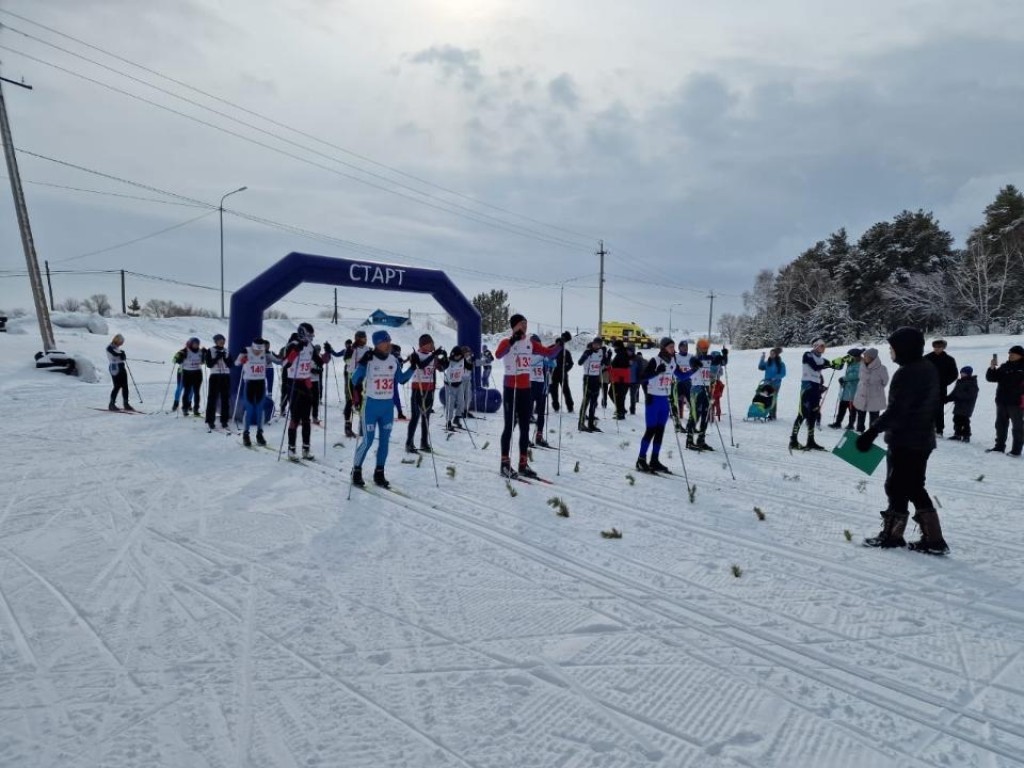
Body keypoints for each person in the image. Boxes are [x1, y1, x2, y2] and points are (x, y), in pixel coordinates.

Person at [857, 327, 948, 554]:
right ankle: (934, 540)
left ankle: (892, 535)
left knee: (896, 486)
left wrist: (871, 432)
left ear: (904, 349)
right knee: (915, 486)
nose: (890, 352)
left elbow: (897, 410)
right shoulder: (928, 368)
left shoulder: (907, 373)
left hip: (906, 440)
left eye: (892, 348)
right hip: (923, 439)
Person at [495, 314, 570, 478]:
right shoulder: (506, 341)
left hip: (525, 389)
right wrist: (512, 341)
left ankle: (523, 463)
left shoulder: (530, 343)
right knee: (509, 427)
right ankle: (504, 464)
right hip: (511, 388)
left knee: (525, 427)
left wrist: (560, 344)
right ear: (514, 326)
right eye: (522, 324)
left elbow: (549, 354)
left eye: (526, 324)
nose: (525, 327)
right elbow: (498, 354)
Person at [350, 330, 414, 488]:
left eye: (390, 340)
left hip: (387, 408)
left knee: (385, 442)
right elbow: (354, 379)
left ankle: (379, 472)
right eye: (386, 341)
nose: (389, 344)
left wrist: (414, 366)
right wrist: (362, 364)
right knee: (368, 441)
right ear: (378, 343)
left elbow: (402, 379)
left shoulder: (393, 359)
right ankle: (356, 470)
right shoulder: (370, 359)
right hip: (371, 406)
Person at [636, 338, 693, 473]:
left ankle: (654, 460)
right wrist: (656, 372)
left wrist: (695, 369)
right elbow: (642, 378)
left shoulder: (673, 361)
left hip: (664, 400)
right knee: (650, 431)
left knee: (660, 432)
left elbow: (682, 376)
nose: (674, 349)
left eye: (674, 347)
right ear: (663, 348)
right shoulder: (655, 361)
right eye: (671, 347)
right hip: (653, 400)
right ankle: (641, 460)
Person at [788, 339, 840, 451]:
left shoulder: (821, 359)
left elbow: (835, 366)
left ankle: (810, 441)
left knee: (813, 414)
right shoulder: (808, 355)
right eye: (821, 346)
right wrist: (830, 365)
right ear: (815, 346)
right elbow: (815, 366)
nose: (823, 348)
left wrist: (838, 363)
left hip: (816, 387)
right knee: (802, 414)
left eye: (824, 346)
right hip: (807, 386)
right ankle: (793, 441)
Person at [282, 323, 318, 460]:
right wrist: (295, 351)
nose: (311, 338)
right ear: (302, 334)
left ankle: (306, 449)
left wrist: (327, 354)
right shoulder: (293, 344)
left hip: (306, 383)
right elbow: (285, 364)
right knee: (295, 418)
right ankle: (291, 449)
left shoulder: (310, 346)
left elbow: (319, 361)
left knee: (306, 419)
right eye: (309, 335)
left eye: (312, 336)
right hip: (294, 383)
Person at [405, 335, 444, 454]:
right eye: (428, 344)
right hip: (418, 389)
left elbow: (441, 368)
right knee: (415, 417)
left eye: (432, 343)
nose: (431, 346)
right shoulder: (416, 355)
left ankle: (424, 442)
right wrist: (433, 355)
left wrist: (444, 357)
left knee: (426, 417)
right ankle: (409, 443)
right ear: (422, 344)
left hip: (429, 390)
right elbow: (421, 366)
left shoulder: (433, 355)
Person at [985, 345, 1024, 456]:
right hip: (1002, 400)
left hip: (1017, 402)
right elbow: (991, 378)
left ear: (1020, 355)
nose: (1010, 355)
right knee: (1000, 425)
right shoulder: (1004, 366)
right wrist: (992, 367)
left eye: (1013, 353)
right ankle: (999, 446)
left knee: (1017, 427)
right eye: (1009, 353)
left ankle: (1016, 450)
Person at [687, 338, 725, 451]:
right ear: (698, 348)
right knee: (695, 415)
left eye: (706, 349)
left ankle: (701, 440)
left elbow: (720, 362)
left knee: (705, 415)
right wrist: (696, 363)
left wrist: (723, 357)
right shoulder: (694, 358)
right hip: (696, 389)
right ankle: (689, 441)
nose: (704, 351)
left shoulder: (709, 358)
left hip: (707, 389)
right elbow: (693, 362)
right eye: (702, 349)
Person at [235, 338, 271, 446]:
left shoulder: (265, 353)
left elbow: (280, 361)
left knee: (260, 410)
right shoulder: (246, 351)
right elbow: (236, 363)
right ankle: (246, 434)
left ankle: (260, 434)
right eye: (256, 350)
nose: (258, 352)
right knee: (249, 409)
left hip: (260, 384)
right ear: (253, 347)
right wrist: (242, 360)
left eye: (260, 350)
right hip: (250, 383)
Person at [924, 339, 958, 436]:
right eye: (935, 347)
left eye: (939, 347)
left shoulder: (949, 359)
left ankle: (939, 429)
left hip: (941, 388)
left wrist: (944, 382)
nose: (937, 349)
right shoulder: (927, 358)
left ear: (943, 347)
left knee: (939, 409)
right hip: (927, 388)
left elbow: (954, 374)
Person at [853, 347, 889, 432]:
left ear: (872, 358)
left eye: (866, 356)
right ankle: (859, 431)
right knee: (861, 416)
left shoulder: (882, 368)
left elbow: (885, 381)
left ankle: (871, 433)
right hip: (862, 394)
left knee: (874, 417)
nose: (864, 358)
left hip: (875, 396)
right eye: (864, 356)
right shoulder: (861, 366)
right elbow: (860, 377)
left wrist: (876, 388)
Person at [343, 331, 370, 437]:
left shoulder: (368, 349)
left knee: (363, 401)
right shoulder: (352, 348)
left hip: (362, 378)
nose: (365, 340)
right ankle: (347, 427)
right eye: (363, 338)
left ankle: (362, 427)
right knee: (350, 400)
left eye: (365, 338)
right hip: (352, 377)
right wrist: (351, 350)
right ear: (358, 339)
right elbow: (347, 361)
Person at [528, 336, 553, 447]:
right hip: (529, 386)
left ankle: (539, 436)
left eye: (538, 344)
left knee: (541, 413)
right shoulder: (527, 354)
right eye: (535, 344)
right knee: (527, 414)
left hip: (541, 386)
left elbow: (552, 364)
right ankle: (525, 437)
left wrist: (550, 361)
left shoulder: (542, 355)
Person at [578, 336, 606, 432]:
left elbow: (603, 363)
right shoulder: (587, 351)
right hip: (588, 378)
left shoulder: (601, 352)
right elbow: (579, 362)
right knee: (586, 401)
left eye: (599, 344)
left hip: (596, 378)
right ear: (593, 343)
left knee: (594, 403)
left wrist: (607, 356)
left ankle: (591, 424)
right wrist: (586, 355)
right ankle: (581, 424)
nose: (596, 346)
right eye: (595, 344)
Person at [204, 333, 232, 430]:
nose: (222, 342)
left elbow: (231, 364)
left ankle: (224, 420)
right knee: (212, 399)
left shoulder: (227, 350)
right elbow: (209, 364)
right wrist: (217, 358)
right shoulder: (210, 350)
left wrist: (224, 357)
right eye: (220, 340)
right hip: (215, 376)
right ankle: (210, 420)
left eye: (223, 340)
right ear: (216, 341)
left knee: (225, 399)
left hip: (225, 376)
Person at [829, 349, 862, 429]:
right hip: (846, 391)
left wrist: (844, 379)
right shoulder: (850, 364)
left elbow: (856, 375)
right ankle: (838, 422)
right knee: (842, 408)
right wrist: (843, 382)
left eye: (850, 356)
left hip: (853, 391)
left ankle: (851, 425)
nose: (848, 358)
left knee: (852, 409)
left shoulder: (860, 365)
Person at [946, 366, 979, 443]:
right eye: (961, 373)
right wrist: (947, 398)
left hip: (966, 406)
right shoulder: (960, 382)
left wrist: (958, 396)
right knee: (956, 419)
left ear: (969, 374)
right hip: (958, 405)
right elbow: (955, 392)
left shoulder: (972, 382)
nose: (962, 374)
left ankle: (966, 435)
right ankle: (957, 434)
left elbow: (970, 395)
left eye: (964, 373)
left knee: (964, 420)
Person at [173, 337, 205, 416]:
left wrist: (205, 355)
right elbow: (174, 360)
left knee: (193, 390)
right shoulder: (183, 351)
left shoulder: (200, 352)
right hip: (183, 372)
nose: (196, 345)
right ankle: (176, 403)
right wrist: (178, 359)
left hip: (196, 373)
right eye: (194, 343)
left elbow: (203, 362)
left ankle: (191, 405)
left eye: (197, 344)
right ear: (190, 344)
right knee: (180, 388)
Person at [106, 333, 134, 411]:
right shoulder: (109, 347)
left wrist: (123, 354)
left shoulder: (118, 348)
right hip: (115, 367)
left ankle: (126, 404)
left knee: (125, 386)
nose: (121, 344)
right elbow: (114, 354)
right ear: (117, 340)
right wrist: (121, 353)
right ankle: (111, 404)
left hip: (121, 366)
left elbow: (122, 357)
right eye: (121, 342)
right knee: (117, 386)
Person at [440, 346, 466, 431]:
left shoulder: (463, 359)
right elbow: (442, 367)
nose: (457, 357)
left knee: (461, 402)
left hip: (459, 383)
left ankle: (457, 418)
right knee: (450, 403)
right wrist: (443, 357)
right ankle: (448, 421)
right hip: (450, 384)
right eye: (456, 356)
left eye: (459, 356)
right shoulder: (449, 360)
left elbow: (469, 365)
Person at [757, 347, 786, 420]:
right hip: (767, 383)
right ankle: (764, 412)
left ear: (776, 354)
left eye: (773, 354)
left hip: (775, 384)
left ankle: (772, 415)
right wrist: (762, 358)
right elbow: (760, 367)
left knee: (773, 398)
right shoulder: (768, 362)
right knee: (765, 397)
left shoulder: (781, 364)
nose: (771, 355)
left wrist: (776, 377)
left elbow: (783, 373)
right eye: (770, 354)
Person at [609, 340, 631, 420]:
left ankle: (621, 412)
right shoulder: (621, 353)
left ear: (618, 346)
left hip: (621, 379)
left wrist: (611, 367)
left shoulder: (622, 354)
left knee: (616, 395)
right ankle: (621, 410)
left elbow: (621, 367)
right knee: (617, 395)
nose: (614, 348)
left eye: (614, 346)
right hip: (620, 379)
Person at [550, 342, 575, 413]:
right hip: (553, 374)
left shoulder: (566, 352)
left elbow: (571, 363)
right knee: (554, 391)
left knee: (566, 390)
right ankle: (556, 406)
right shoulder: (552, 351)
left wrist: (565, 369)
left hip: (563, 374)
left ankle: (570, 406)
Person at [390, 343, 407, 421]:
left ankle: (399, 412)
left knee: (395, 396)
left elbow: (401, 362)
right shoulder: (390, 357)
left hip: (394, 379)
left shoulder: (396, 357)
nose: (398, 353)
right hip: (388, 379)